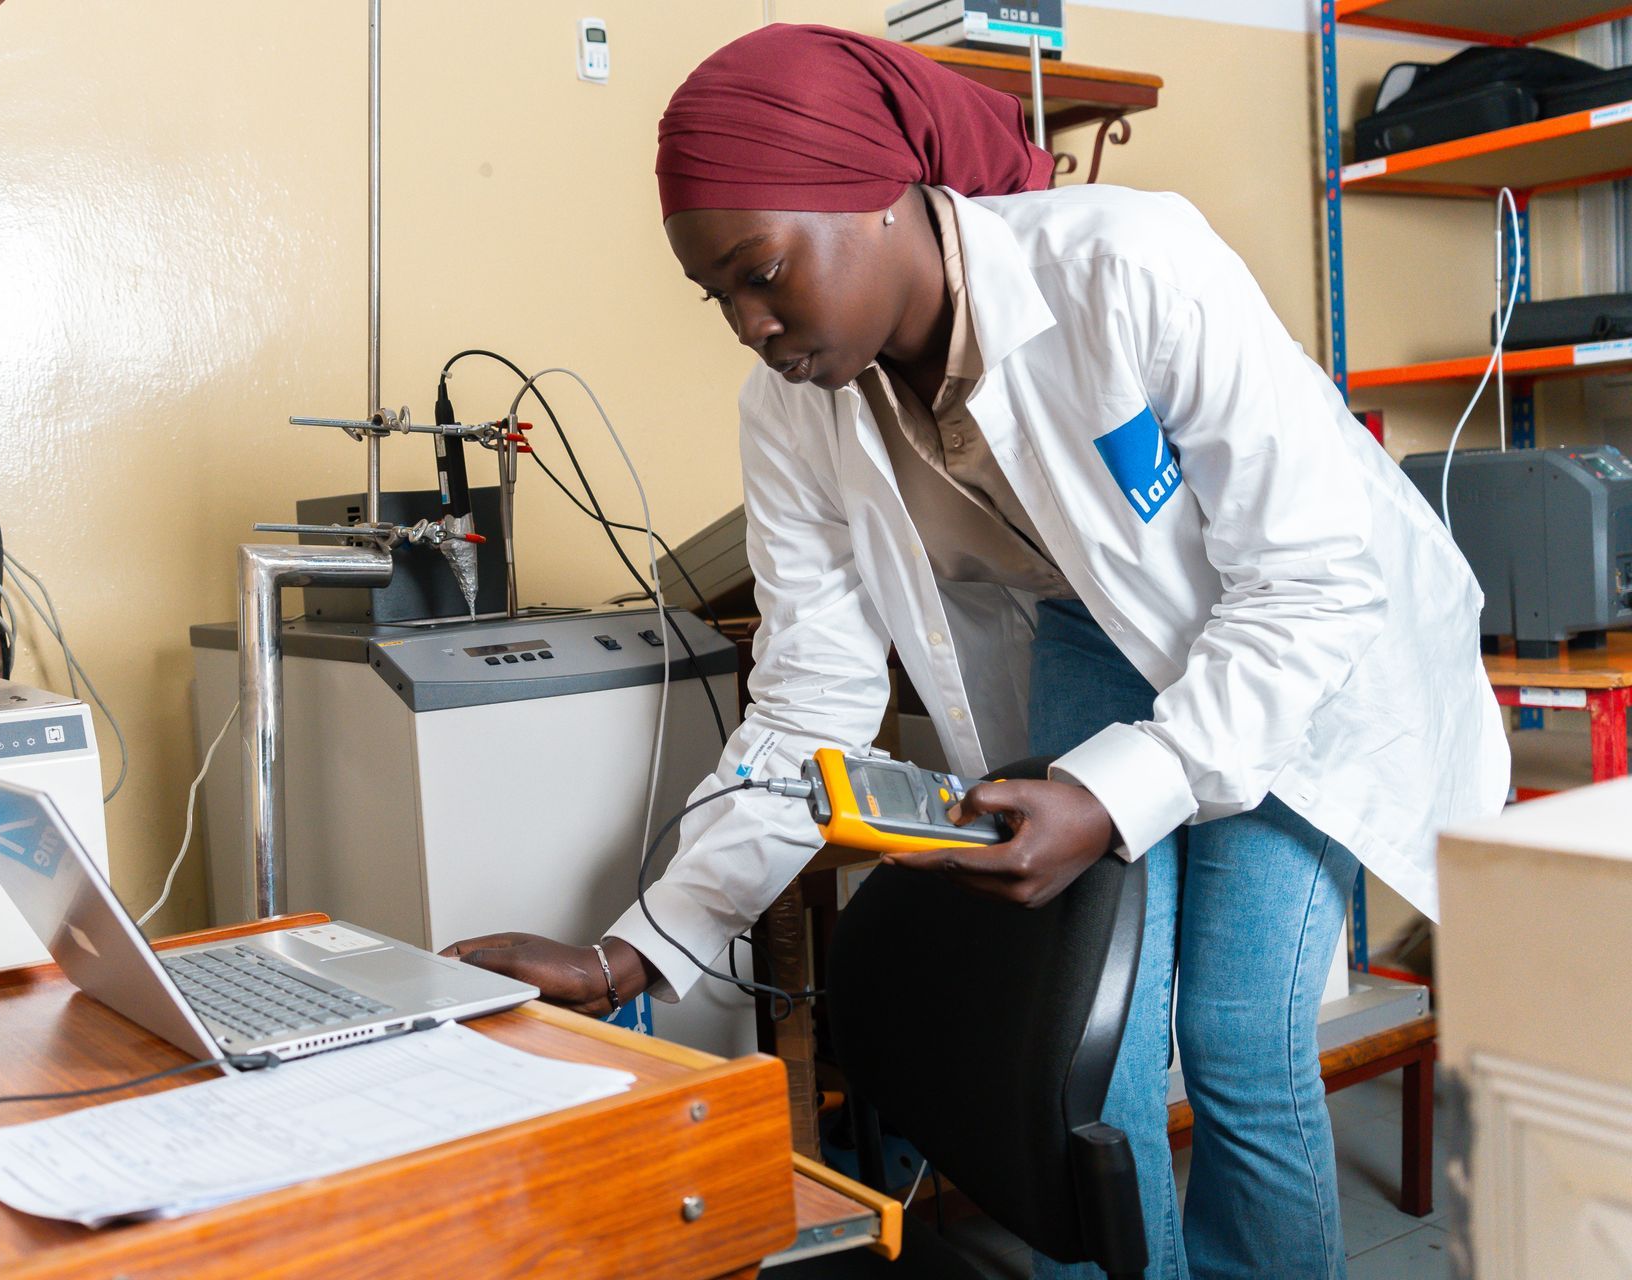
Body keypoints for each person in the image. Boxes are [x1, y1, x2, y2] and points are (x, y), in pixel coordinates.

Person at [442, 24, 1507, 1279]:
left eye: (762, 271)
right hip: (1092, 631)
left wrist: (1113, 792)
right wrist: (637, 945)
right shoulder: (789, 412)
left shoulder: (1130, 265)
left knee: (1236, 1032)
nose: (746, 322)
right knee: (1077, 1047)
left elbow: (1314, 578)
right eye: (718, 295)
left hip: (1308, 633)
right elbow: (810, 701)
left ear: (880, 196)